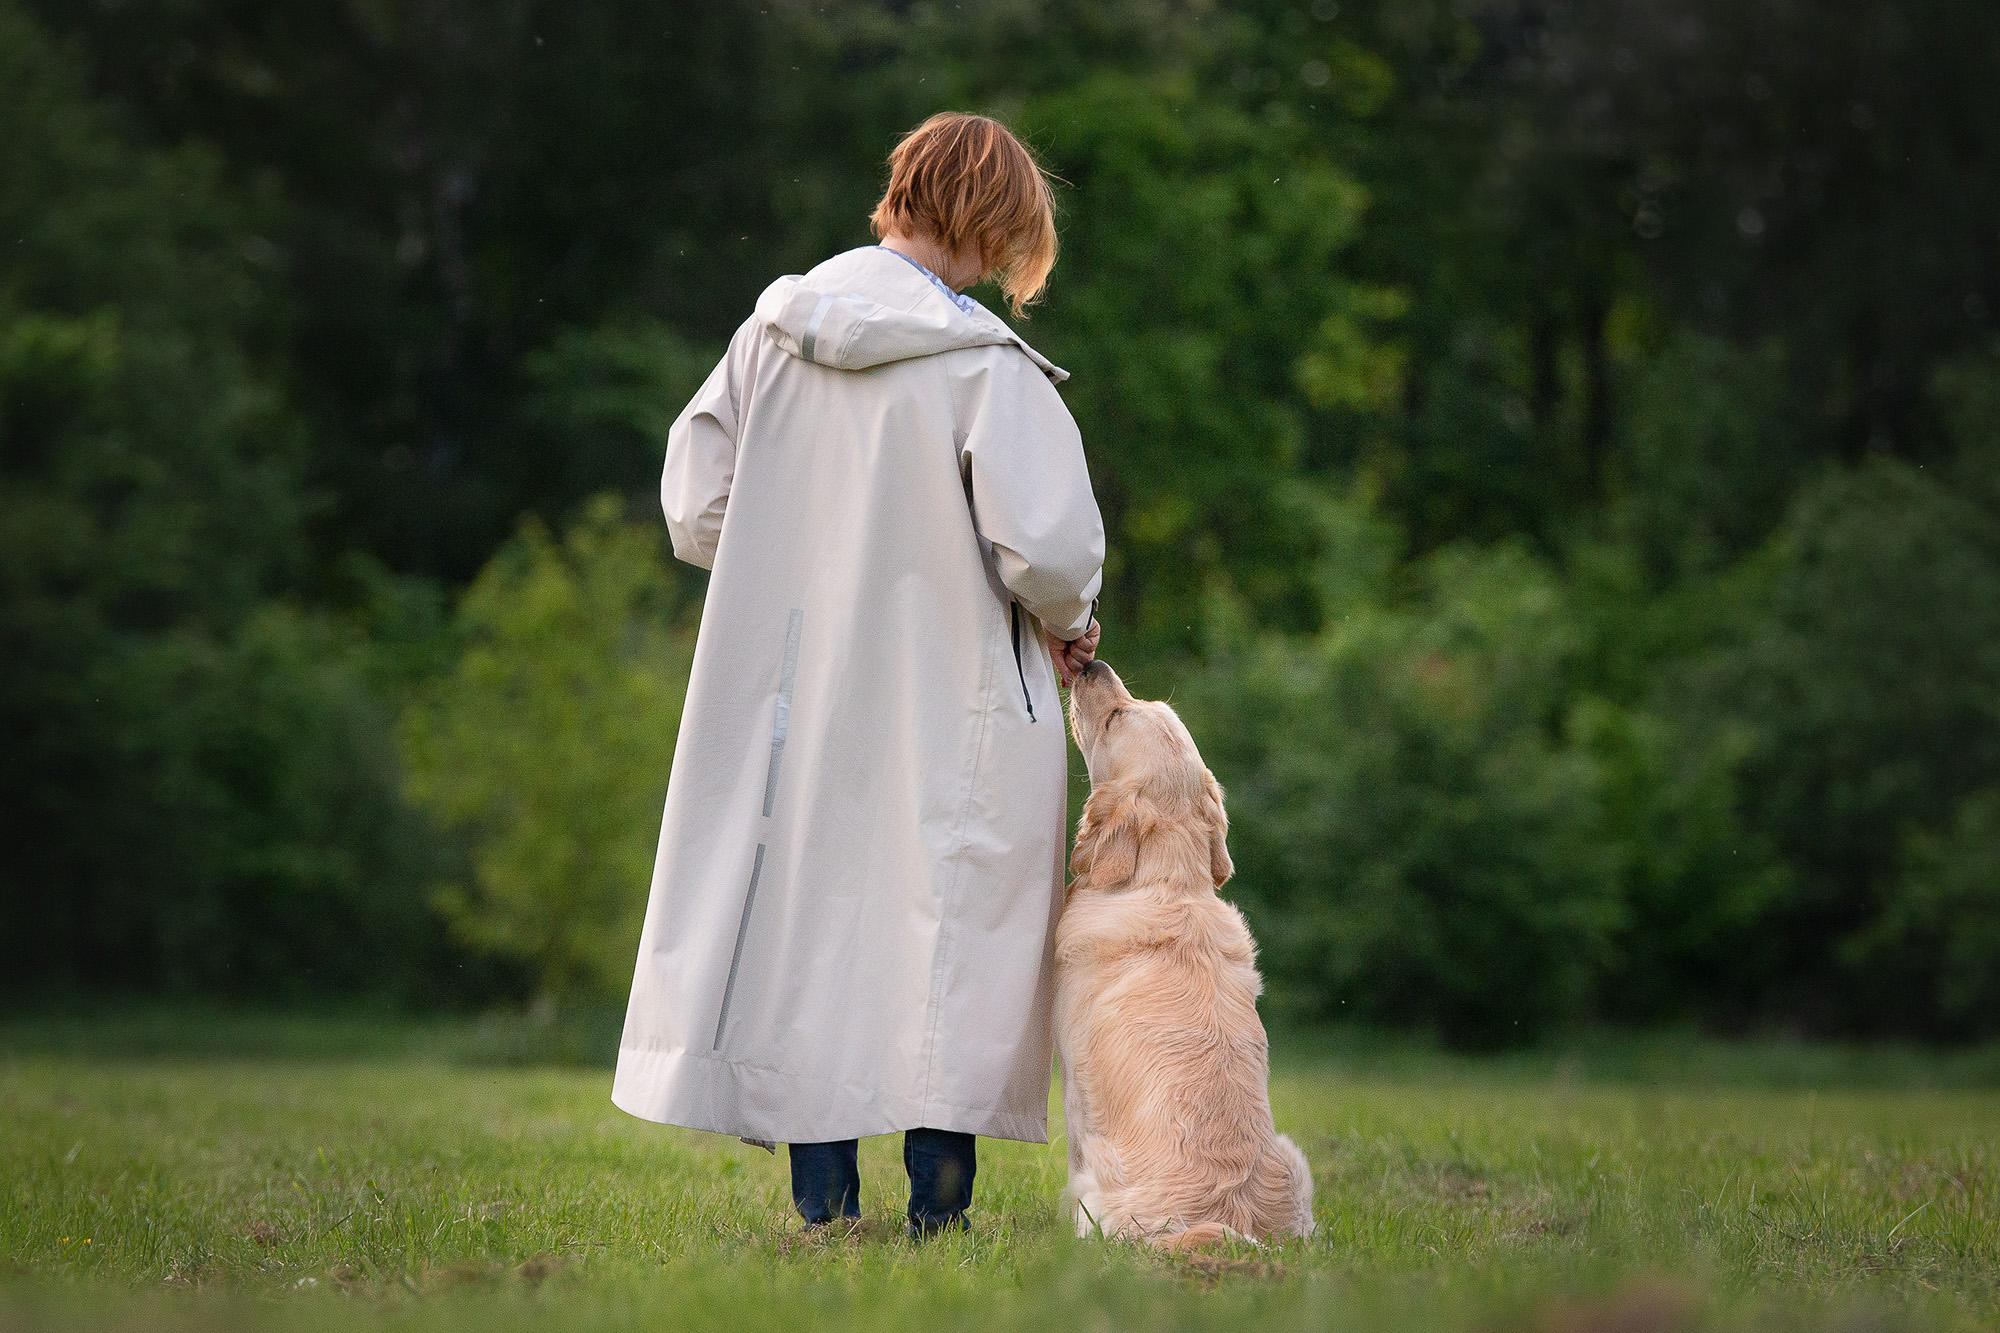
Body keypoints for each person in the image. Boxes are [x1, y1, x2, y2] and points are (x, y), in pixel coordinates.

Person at [612, 112, 1105, 1236]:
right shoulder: (984, 365)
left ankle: (823, 1211)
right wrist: (1069, 623)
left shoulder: (769, 332)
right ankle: (939, 1216)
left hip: (797, 691)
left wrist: (799, 558)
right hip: (956, 693)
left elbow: (694, 509)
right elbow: (1047, 553)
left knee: (808, 928)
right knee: (953, 928)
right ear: (989, 224)